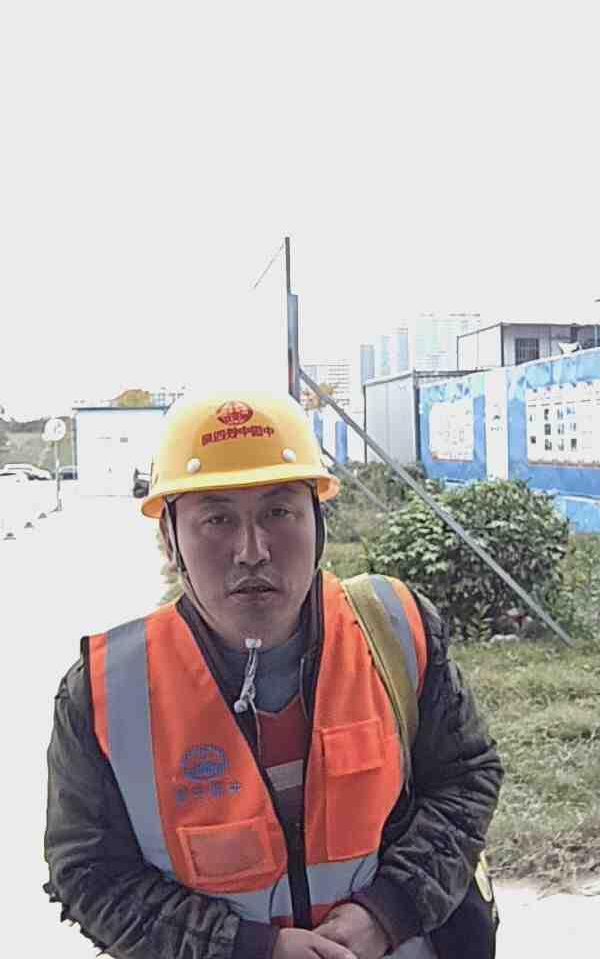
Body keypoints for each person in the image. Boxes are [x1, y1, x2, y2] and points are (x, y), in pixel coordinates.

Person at [44, 393, 503, 959]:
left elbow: (465, 781)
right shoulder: (105, 691)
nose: (252, 551)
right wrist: (247, 948)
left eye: (278, 512)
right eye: (216, 518)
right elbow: (89, 872)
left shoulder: (396, 630)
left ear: (318, 523)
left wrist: (388, 911)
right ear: (170, 538)